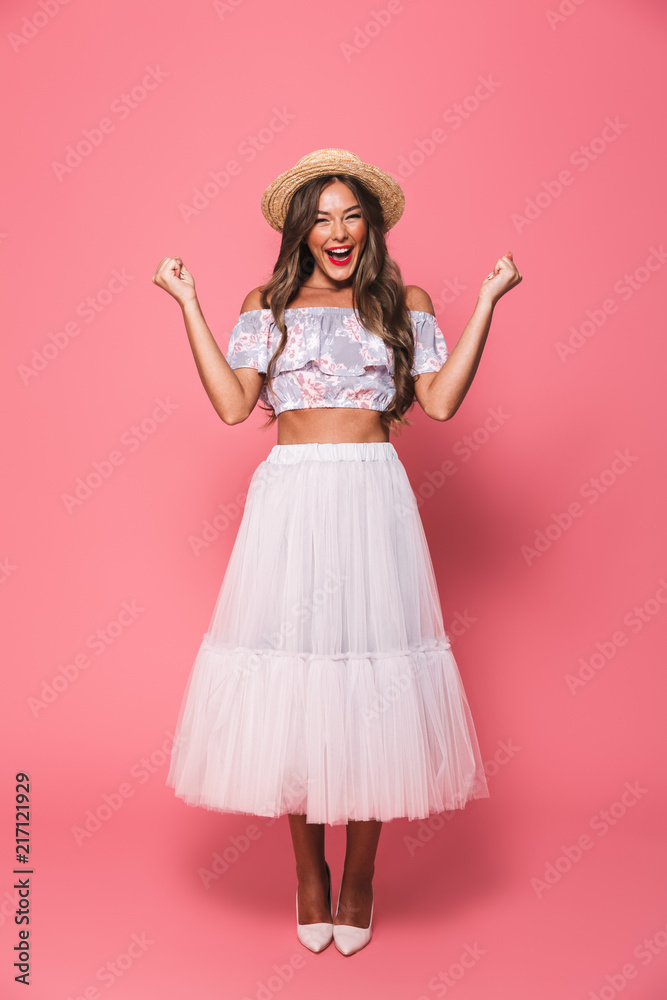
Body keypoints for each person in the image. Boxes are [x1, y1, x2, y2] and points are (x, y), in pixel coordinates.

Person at [152, 147, 522, 957]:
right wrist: (187, 303)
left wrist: (487, 302)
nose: (337, 230)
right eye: (321, 217)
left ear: (371, 226)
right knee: (296, 681)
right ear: (300, 231)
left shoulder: (404, 303)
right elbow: (232, 405)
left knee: (372, 685)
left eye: (351, 214)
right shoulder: (268, 304)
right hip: (291, 501)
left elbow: (440, 400)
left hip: (370, 498)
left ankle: (358, 878)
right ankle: (308, 876)